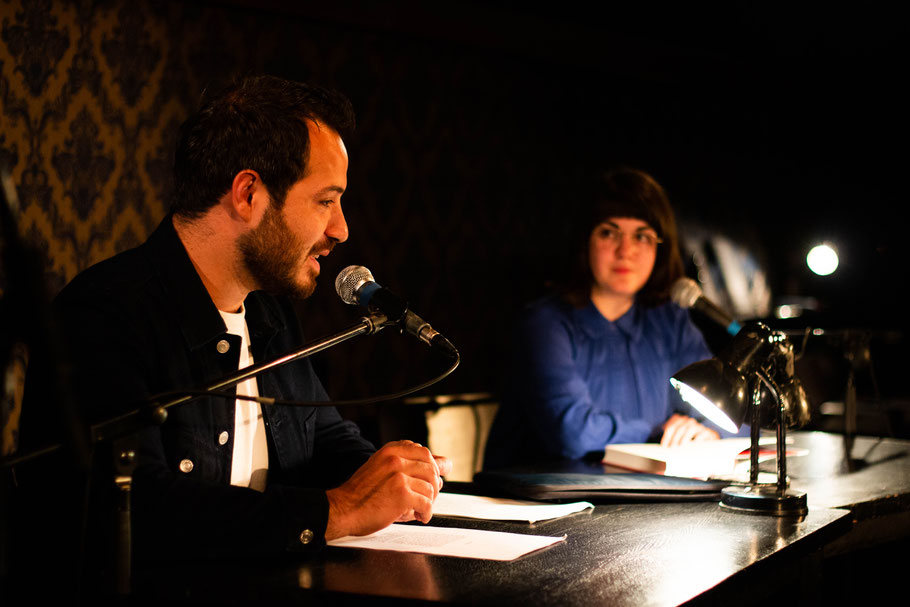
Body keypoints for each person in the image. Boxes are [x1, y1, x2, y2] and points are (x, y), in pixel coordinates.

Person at [15, 75, 452, 578]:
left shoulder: (269, 313)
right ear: (248, 194)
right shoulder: (102, 314)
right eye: (326, 200)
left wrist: (395, 474)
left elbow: (324, 439)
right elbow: (137, 511)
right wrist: (338, 510)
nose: (341, 229)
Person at [484, 167, 736, 469]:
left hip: (643, 501)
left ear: (660, 247)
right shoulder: (544, 325)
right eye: (608, 232)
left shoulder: (670, 322)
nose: (625, 251)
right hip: (540, 506)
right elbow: (573, 432)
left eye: (641, 236)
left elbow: (731, 414)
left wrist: (706, 431)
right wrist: (664, 433)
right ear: (584, 242)